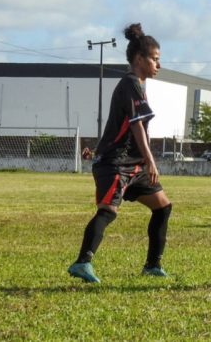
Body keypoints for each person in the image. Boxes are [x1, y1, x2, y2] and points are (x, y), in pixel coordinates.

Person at [68, 23, 172, 283]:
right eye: (155, 60)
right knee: (108, 212)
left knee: (163, 207)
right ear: (140, 59)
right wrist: (151, 161)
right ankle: (82, 263)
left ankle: (152, 266)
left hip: (133, 165)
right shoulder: (130, 84)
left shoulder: (138, 84)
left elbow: (133, 127)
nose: (158, 65)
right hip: (116, 164)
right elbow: (136, 126)